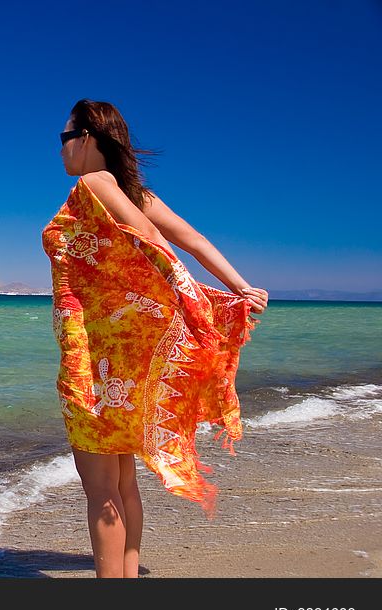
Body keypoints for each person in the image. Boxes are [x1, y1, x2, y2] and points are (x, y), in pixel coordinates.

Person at [48, 99, 268, 578]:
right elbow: (196, 240)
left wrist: (187, 294)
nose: (60, 148)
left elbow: (149, 235)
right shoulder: (133, 192)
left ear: (87, 138)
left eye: (64, 137)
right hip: (122, 364)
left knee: (101, 491)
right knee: (123, 483)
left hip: (93, 361)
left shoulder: (92, 183)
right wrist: (240, 287)